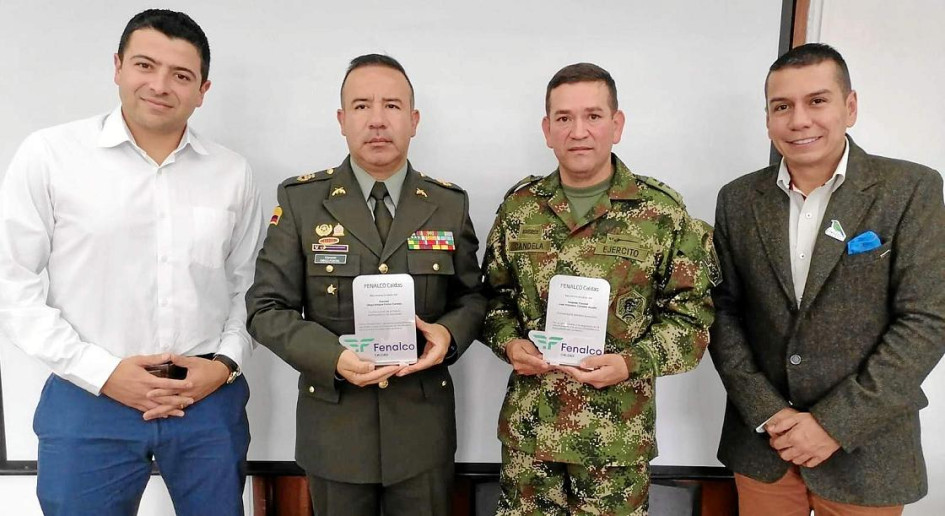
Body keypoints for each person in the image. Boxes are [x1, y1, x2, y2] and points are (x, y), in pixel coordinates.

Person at [0, 9, 263, 516]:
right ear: (118, 67)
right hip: (88, 400)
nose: (160, 85)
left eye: (181, 75)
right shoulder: (50, 155)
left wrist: (223, 366)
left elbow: (247, 286)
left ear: (203, 89)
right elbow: (12, 286)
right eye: (145, 65)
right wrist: (103, 373)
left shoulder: (232, 172)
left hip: (205, 401)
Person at [246, 53, 486, 516]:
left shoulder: (447, 204)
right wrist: (332, 357)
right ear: (341, 120)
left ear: (414, 120)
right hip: (335, 429)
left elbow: (473, 296)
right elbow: (265, 308)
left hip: (422, 432)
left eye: (392, 106)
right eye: (361, 106)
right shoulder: (301, 202)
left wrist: (449, 334)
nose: (377, 120)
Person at [710, 43, 945, 515]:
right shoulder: (738, 199)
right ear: (769, 117)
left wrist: (833, 424)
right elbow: (721, 310)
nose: (799, 120)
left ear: (849, 107)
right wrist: (768, 412)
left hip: (867, 451)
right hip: (765, 447)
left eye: (817, 101)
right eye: (782, 106)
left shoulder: (911, 190)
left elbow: (926, 320)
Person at [480, 62, 718, 516]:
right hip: (531, 436)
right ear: (547, 130)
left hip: (615, 442)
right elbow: (494, 298)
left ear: (617, 124)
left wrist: (632, 362)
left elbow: (692, 319)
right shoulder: (519, 208)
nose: (579, 131)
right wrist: (509, 343)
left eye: (592, 116)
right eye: (564, 119)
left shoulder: (662, 214)